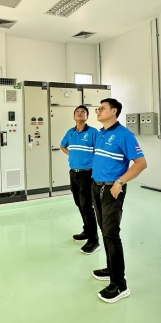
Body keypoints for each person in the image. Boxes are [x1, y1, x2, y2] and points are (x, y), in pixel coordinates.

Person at [91, 98, 147, 304]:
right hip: (96, 187)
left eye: (102, 108)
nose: (98, 111)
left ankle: (120, 284)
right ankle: (110, 269)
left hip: (111, 190)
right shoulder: (101, 133)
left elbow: (141, 163)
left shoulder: (125, 135)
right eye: (98, 108)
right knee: (104, 230)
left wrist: (120, 182)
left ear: (114, 111)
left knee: (111, 234)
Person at [60, 105, 100, 254]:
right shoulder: (70, 132)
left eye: (83, 112)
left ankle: (94, 240)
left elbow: (100, 150)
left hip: (87, 174)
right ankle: (87, 231)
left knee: (87, 205)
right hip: (74, 173)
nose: (80, 113)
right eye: (77, 111)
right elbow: (62, 145)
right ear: (74, 116)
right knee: (79, 203)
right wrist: (71, 154)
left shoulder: (93, 132)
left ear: (87, 117)